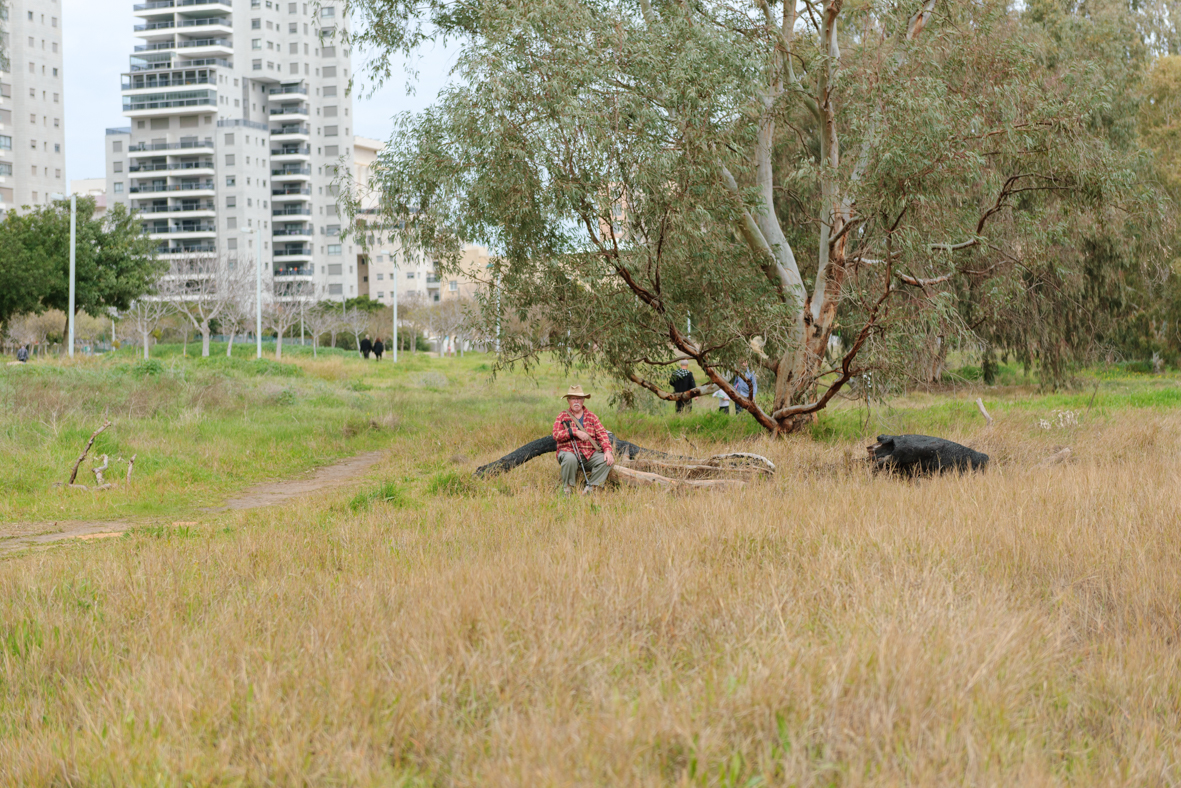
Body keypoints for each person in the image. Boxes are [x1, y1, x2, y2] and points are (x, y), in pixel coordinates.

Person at [553, 385, 615, 495]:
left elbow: (602, 434)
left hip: (588, 453)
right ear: (568, 401)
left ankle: (591, 489)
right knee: (570, 459)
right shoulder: (562, 416)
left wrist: (608, 451)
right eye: (573, 398)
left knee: (607, 461)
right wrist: (574, 432)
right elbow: (556, 435)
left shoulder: (592, 417)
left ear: (583, 400)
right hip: (569, 451)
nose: (576, 401)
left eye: (579, 398)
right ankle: (567, 489)